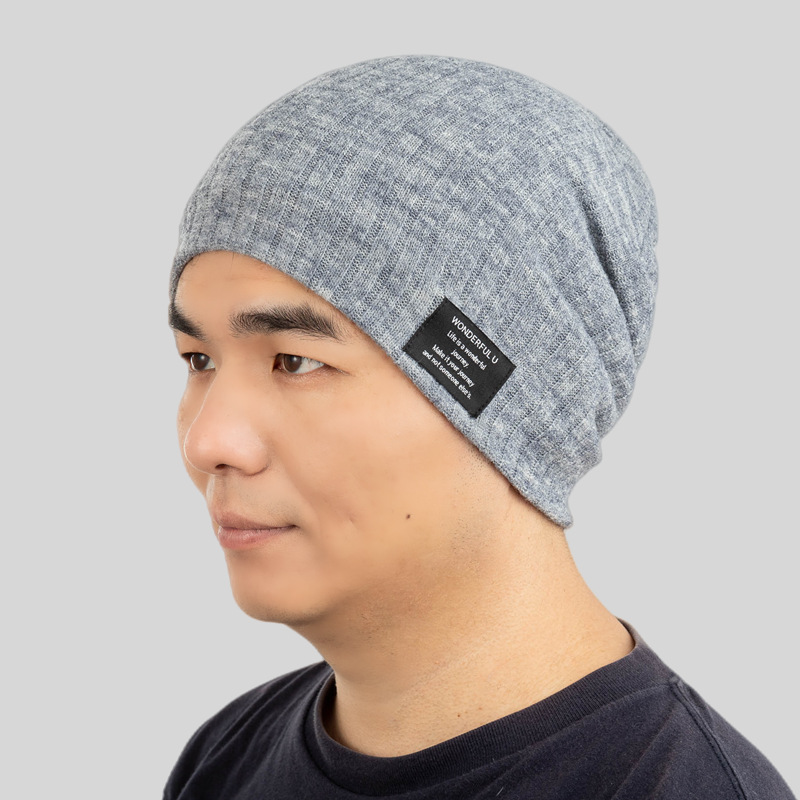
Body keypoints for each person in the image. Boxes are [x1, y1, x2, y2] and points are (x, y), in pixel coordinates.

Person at [163, 56, 794, 799]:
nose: (209, 442)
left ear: (502, 403)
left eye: (296, 362)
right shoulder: (228, 757)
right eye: (199, 359)